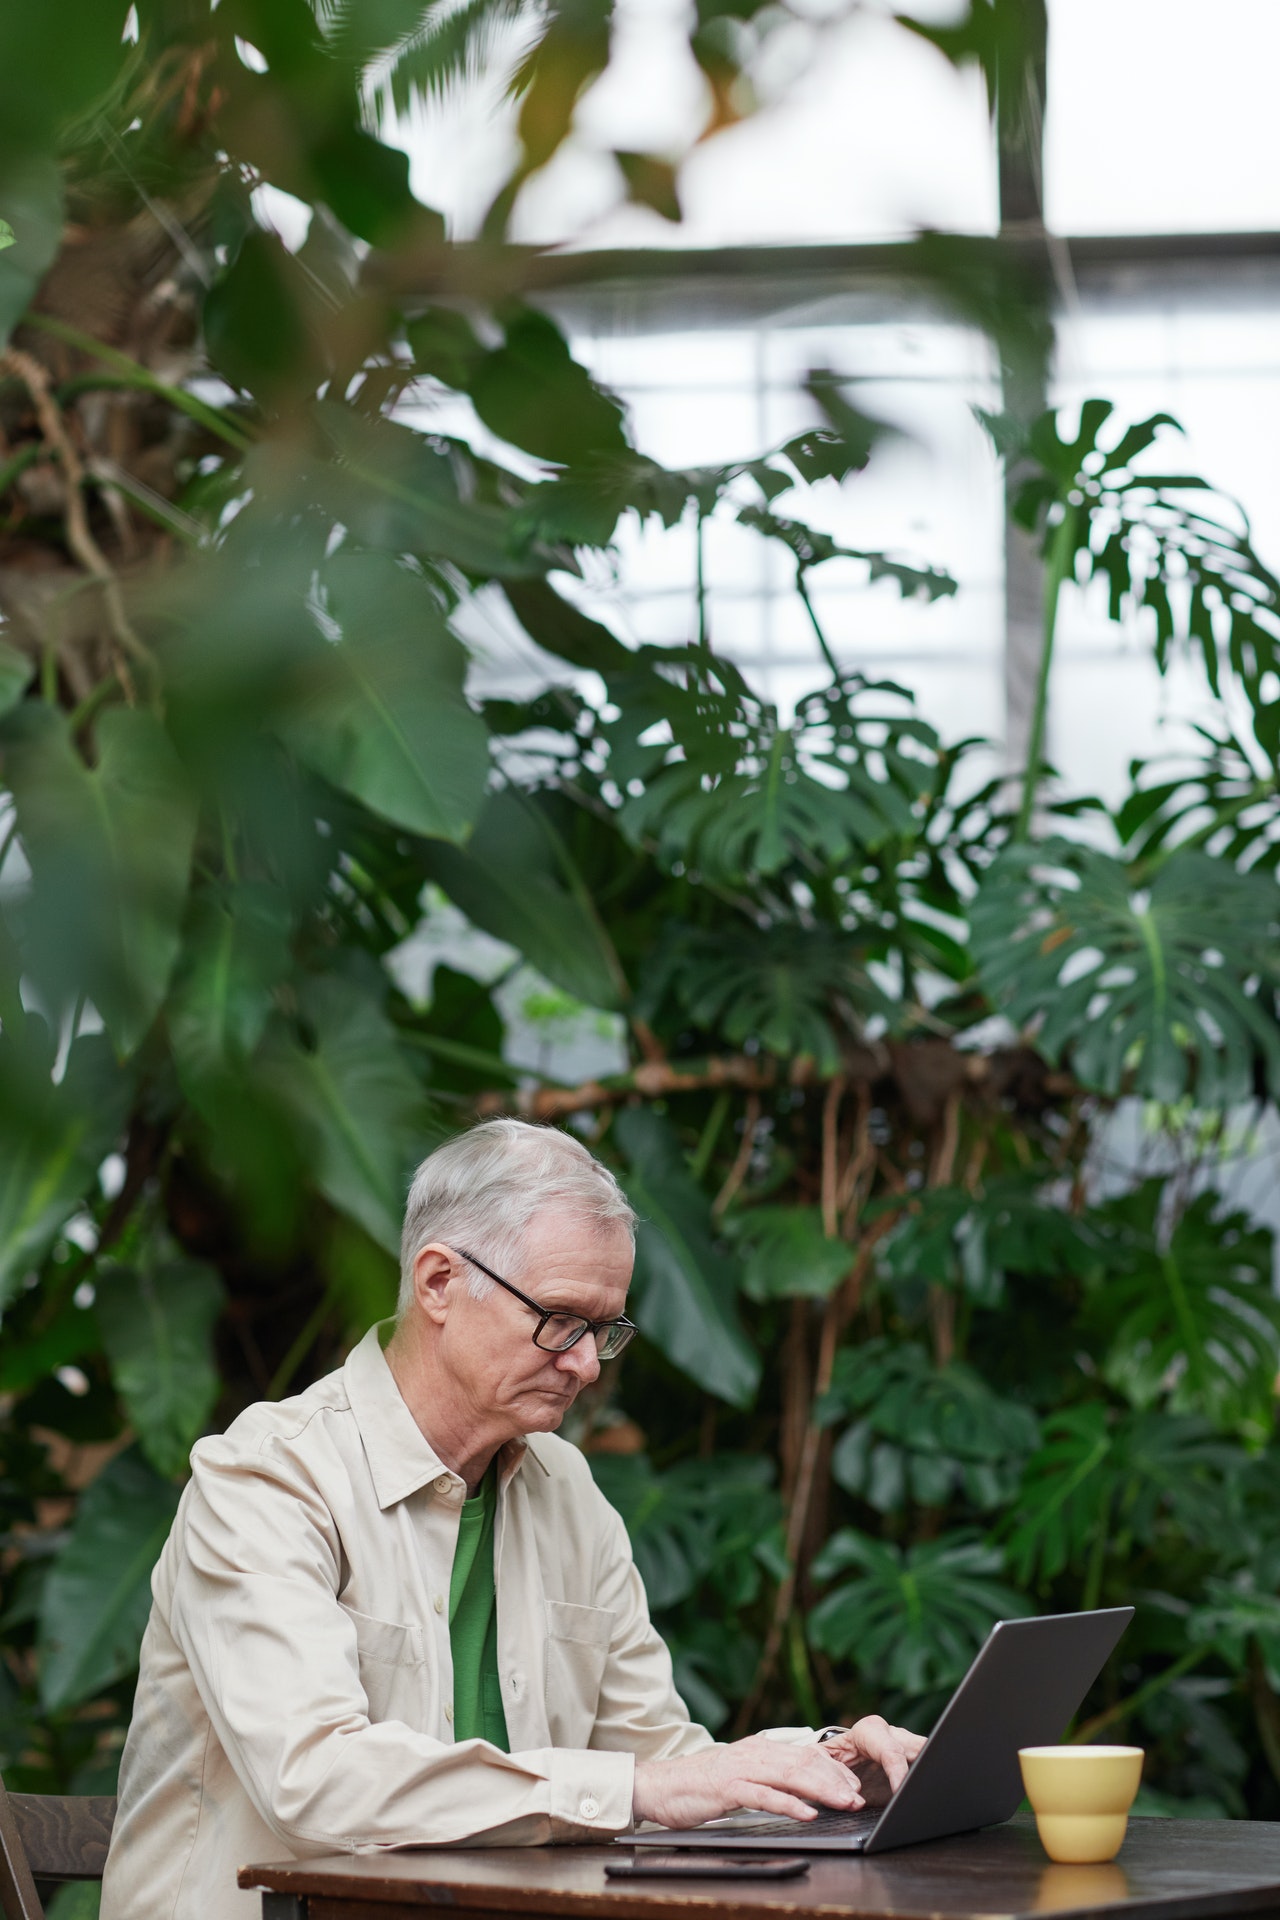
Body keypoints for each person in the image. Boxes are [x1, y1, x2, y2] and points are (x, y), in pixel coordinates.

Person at [101, 1119, 922, 1920]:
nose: (586, 1364)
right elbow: (314, 1781)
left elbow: (662, 1763)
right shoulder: (265, 1480)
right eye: (561, 1319)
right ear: (438, 1284)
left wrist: (827, 1770)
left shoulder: (565, 1487)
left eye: (605, 1330)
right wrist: (642, 1788)